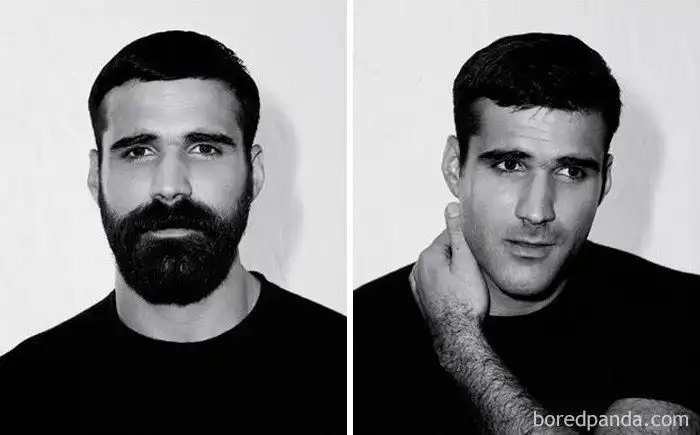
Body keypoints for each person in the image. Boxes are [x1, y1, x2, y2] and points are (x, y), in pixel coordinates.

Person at [0, 30, 345, 433]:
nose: (170, 186)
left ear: (254, 174)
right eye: (138, 151)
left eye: (205, 149)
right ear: (96, 176)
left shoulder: (347, 367)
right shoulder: (20, 393)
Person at [354, 33, 700, 434]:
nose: (537, 211)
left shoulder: (678, 312)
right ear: (454, 166)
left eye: (571, 171)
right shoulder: (357, 338)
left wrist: (459, 341)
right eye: (510, 165)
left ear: (604, 182)